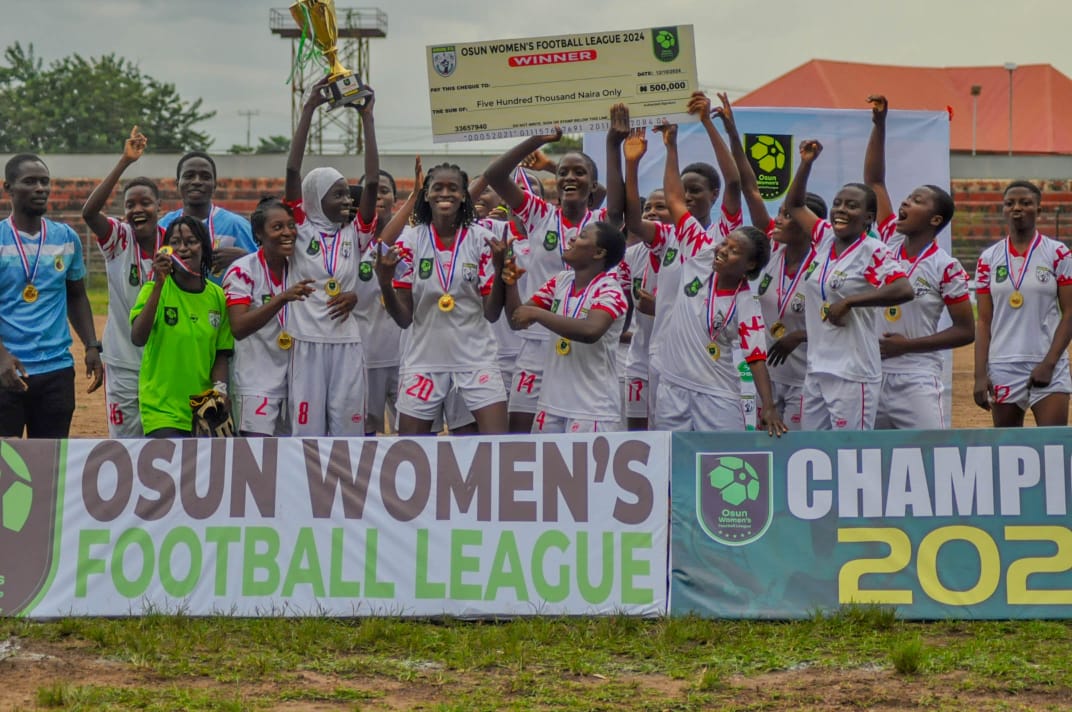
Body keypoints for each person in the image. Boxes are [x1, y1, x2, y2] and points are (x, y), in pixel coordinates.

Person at [483, 107, 627, 433]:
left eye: (579, 173)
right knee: (522, 435)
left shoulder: (601, 224)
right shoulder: (539, 214)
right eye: (562, 172)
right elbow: (494, 176)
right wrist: (539, 138)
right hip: (535, 342)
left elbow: (619, 205)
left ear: (594, 185)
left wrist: (612, 145)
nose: (569, 178)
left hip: (582, 345)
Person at [639, 124, 784, 435]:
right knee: (671, 465)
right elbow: (675, 199)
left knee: (719, 466)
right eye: (724, 244)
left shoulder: (746, 303)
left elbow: (757, 357)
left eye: (733, 252)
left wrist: (768, 405)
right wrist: (671, 147)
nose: (721, 251)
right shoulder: (699, 251)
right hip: (673, 388)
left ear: (749, 265)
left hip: (718, 395)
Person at [714, 95, 828, 430]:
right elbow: (750, 187)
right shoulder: (772, 251)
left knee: (792, 446)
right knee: (761, 446)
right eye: (778, 213)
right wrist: (732, 131)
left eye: (787, 215)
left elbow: (841, 319)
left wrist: (801, 335)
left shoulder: (823, 266)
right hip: (765, 375)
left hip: (805, 378)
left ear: (807, 225)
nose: (777, 220)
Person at [786, 139, 914, 431]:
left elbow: (903, 289)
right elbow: (793, 205)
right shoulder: (824, 238)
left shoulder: (872, 250)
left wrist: (850, 302)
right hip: (817, 368)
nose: (841, 210)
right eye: (838, 204)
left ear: (869, 217)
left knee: (848, 454)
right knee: (814, 450)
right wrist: (806, 163)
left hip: (852, 373)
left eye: (852, 206)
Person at [863, 95, 974, 429]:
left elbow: (965, 331)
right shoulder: (887, 240)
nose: (906, 203)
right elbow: (874, 182)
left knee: (931, 456)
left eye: (917, 200)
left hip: (917, 376)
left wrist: (907, 347)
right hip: (872, 372)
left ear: (936, 219)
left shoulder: (946, 266)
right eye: (908, 197)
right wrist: (879, 125)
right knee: (871, 461)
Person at [375, 162, 507, 434]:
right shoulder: (410, 241)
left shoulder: (482, 240)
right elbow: (404, 319)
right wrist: (385, 282)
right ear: (426, 194)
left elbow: (492, 314)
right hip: (424, 361)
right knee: (411, 452)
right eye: (437, 188)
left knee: (495, 449)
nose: (445, 194)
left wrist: (499, 267)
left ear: (464, 195)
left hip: (475, 360)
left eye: (453, 188)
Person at [283, 81, 379, 436]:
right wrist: (308, 109)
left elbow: (370, 185)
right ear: (314, 197)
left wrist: (368, 119)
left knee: (347, 434)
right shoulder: (301, 227)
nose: (347, 201)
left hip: (346, 345)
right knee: (307, 434)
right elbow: (293, 173)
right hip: (306, 342)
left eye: (346, 195)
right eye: (337, 194)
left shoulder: (356, 233)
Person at [0, 154, 103, 438]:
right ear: (8, 187)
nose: (40, 188)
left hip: (57, 370)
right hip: (7, 370)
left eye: (45, 182)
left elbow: (77, 296)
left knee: (50, 466)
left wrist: (91, 345)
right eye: (30, 182)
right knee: (5, 467)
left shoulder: (66, 238)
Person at [504, 221, 630, 433]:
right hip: (550, 406)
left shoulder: (610, 290)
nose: (572, 238)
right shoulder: (561, 281)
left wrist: (537, 313)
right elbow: (517, 320)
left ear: (598, 253)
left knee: (586, 468)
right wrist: (510, 283)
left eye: (581, 236)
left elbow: (591, 331)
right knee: (545, 467)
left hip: (592, 410)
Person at [81, 126, 162, 437]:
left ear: (160, 208)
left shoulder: (172, 245)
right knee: (124, 441)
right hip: (122, 359)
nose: (138, 210)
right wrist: (124, 162)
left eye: (145, 203)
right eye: (130, 205)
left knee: (161, 438)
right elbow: (89, 213)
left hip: (161, 360)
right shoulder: (118, 239)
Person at [974, 180, 1072, 427]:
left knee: (1052, 446)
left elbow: (1070, 312)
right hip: (1003, 364)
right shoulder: (988, 259)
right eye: (1010, 203)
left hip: (1047, 362)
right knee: (1009, 449)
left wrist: (1049, 363)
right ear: (1003, 210)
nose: (1017, 208)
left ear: (1039, 210)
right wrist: (979, 374)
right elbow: (984, 321)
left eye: (1025, 203)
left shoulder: (1058, 253)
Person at [130, 217, 234, 437]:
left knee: (204, 472)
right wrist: (159, 283)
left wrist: (220, 390)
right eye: (175, 242)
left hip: (204, 410)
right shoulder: (153, 289)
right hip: (161, 410)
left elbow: (221, 353)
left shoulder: (217, 297)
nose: (183, 248)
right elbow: (138, 337)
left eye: (191, 241)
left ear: (204, 247)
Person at [223, 199, 316, 436]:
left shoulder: (300, 267)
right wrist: (281, 298)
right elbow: (238, 327)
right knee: (255, 459)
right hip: (256, 383)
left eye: (291, 225)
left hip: (296, 383)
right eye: (277, 227)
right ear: (259, 234)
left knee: (291, 459)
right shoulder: (242, 271)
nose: (288, 233)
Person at [159, 151, 256, 277]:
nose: (197, 182)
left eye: (205, 177)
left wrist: (244, 257)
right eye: (189, 176)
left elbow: (265, 267)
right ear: (178, 184)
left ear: (215, 185)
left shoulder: (236, 225)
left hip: (224, 296)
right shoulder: (164, 225)